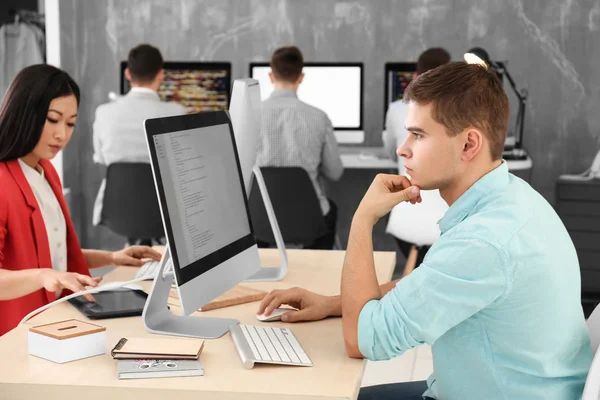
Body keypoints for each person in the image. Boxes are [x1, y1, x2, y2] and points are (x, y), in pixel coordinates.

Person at [257, 62, 592, 399]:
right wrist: (334, 304)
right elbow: (431, 281)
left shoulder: (481, 242)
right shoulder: (514, 198)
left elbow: (361, 340)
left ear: (468, 145)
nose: (403, 148)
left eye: (418, 135)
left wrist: (362, 220)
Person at [0, 64, 161, 336]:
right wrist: (43, 276)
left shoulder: (46, 171)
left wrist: (113, 257)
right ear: (24, 112)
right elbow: (45, 271)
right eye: (53, 119)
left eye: (71, 123)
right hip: (17, 334)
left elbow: (52, 256)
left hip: (55, 321)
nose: (62, 134)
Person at [92, 44, 186, 243]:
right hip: (165, 213)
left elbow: (101, 159)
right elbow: (183, 163)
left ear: (127, 73)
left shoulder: (104, 112)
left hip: (118, 209)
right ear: (160, 75)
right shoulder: (177, 112)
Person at [256, 45, 343, 249]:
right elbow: (335, 173)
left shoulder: (249, 114)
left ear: (270, 76)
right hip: (309, 218)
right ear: (301, 77)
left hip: (259, 218)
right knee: (331, 210)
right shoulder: (319, 117)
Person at [383, 48, 451, 271]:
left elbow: (389, 152)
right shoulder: (458, 114)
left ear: (416, 76)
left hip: (406, 218)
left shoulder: (395, 110)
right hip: (447, 219)